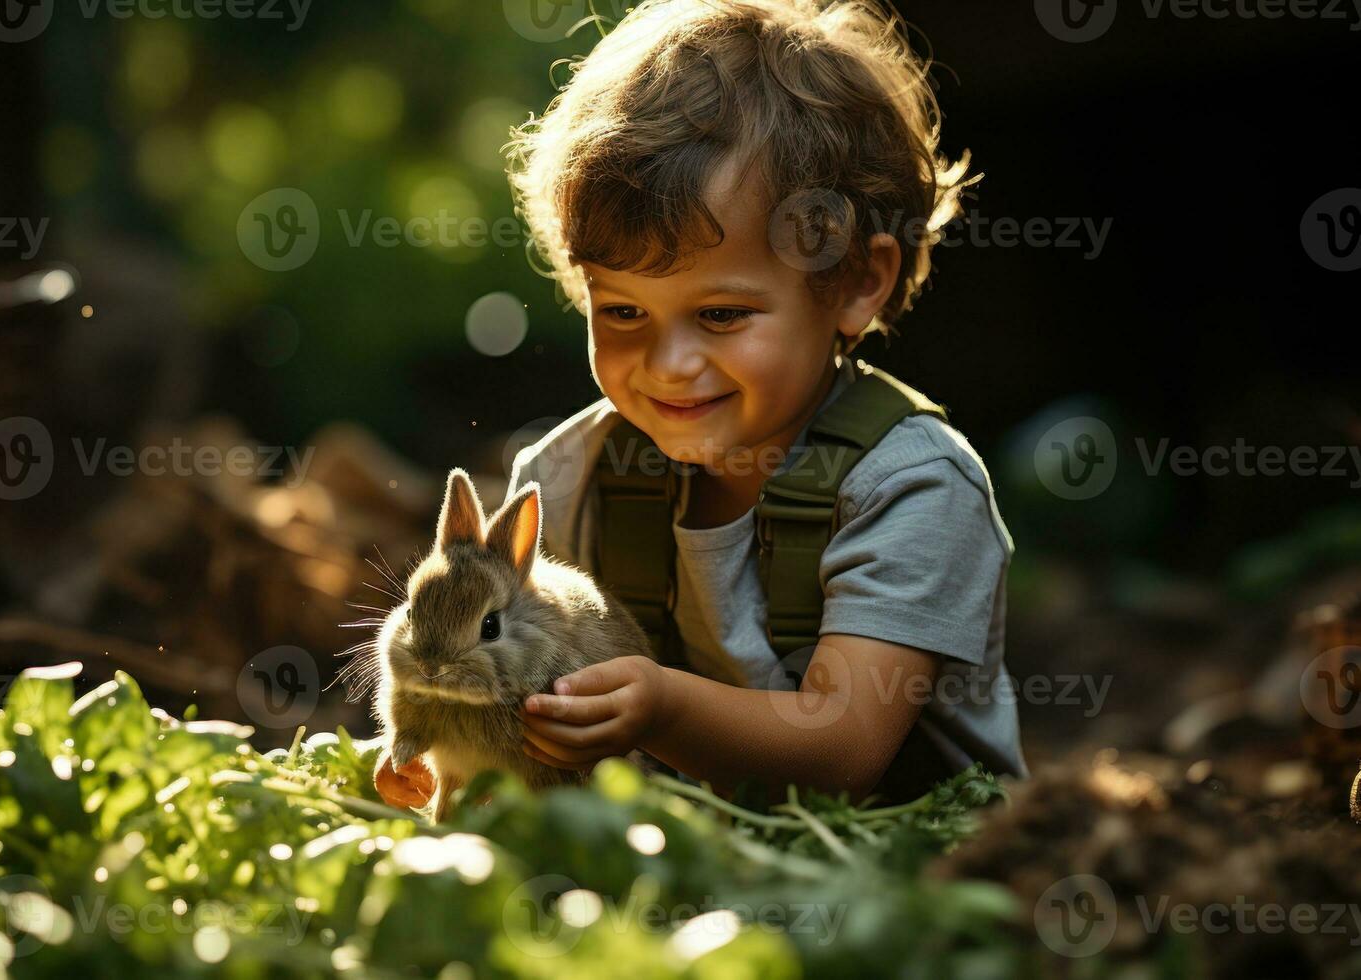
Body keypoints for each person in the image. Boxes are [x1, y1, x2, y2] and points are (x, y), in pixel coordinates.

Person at [379, 0, 1026, 810]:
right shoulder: (570, 476)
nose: (668, 364)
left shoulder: (911, 489)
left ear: (860, 282)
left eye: (720, 315)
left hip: (905, 869)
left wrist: (661, 706)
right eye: (621, 312)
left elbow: (846, 746)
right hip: (679, 873)